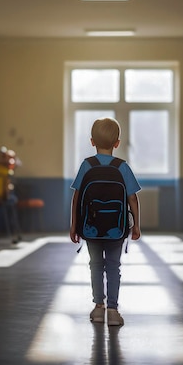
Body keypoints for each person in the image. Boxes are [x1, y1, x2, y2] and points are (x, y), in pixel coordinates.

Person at [70, 117, 141, 326]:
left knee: (95, 265)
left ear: (92, 141)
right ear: (117, 143)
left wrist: (74, 225)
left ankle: (98, 307)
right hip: (116, 229)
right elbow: (132, 198)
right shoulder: (122, 167)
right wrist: (136, 224)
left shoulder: (87, 165)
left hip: (90, 227)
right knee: (113, 266)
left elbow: (76, 198)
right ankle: (113, 310)